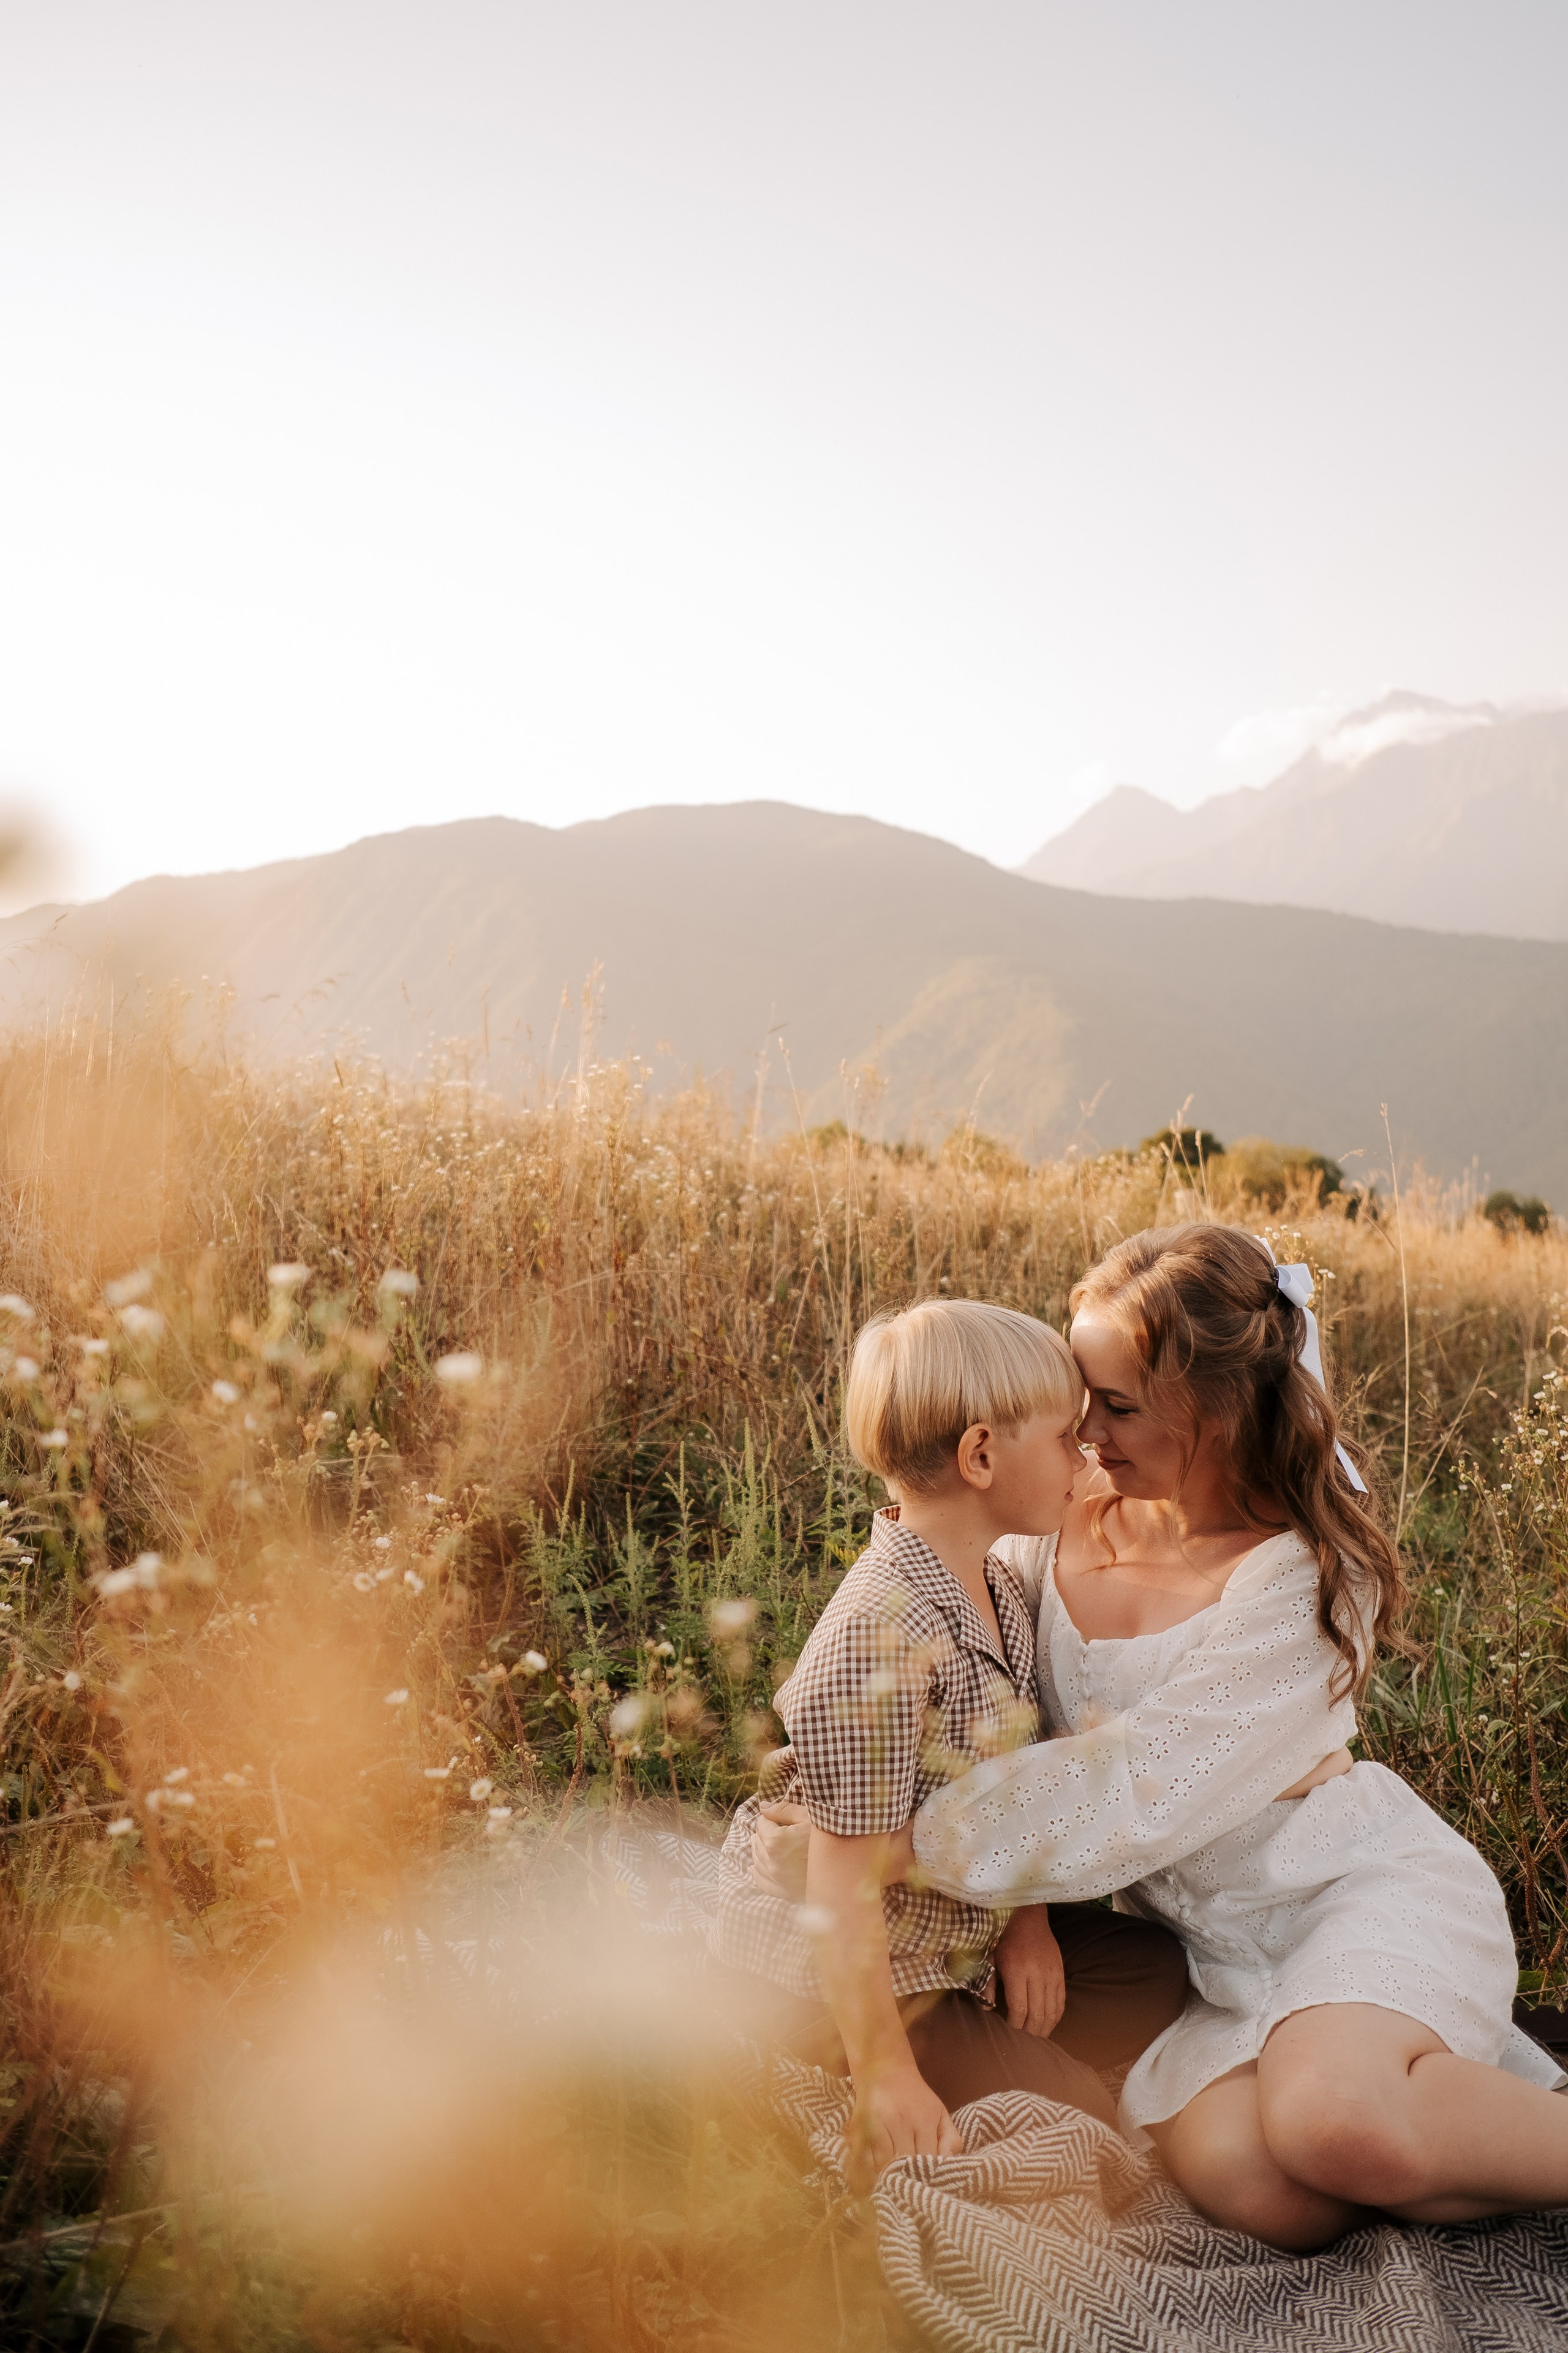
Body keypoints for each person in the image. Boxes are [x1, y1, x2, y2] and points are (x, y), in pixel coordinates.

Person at [888, 1226, 1567, 2248]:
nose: (1087, 1434)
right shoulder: (1053, 1517)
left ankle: (1395, 2099)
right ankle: (1429, 2113)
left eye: (1118, 1406)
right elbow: (948, 1652)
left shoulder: (1307, 1574)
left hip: (1344, 1888)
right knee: (1266, 2189)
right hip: (1209, 1957)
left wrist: (901, 1846)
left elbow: (1140, 1784)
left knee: (1332, 2121)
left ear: (1218, 1408)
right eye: (1079, 1398)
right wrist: (842, 1792)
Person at [708, 1297, 1189, 2186]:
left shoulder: (993, 1583)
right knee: (1075, 2117)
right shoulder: (878, 1637)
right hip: (853, 1968)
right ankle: (893, 2057)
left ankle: (988, 2034)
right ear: (980, 1457)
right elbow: (841, 1891)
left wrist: (1027, 1925)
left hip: (951, 1925)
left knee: (1162, 1973)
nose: (1085, 1457)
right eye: (1065, 1439)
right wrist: (886, 2075)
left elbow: (1013, 1779)